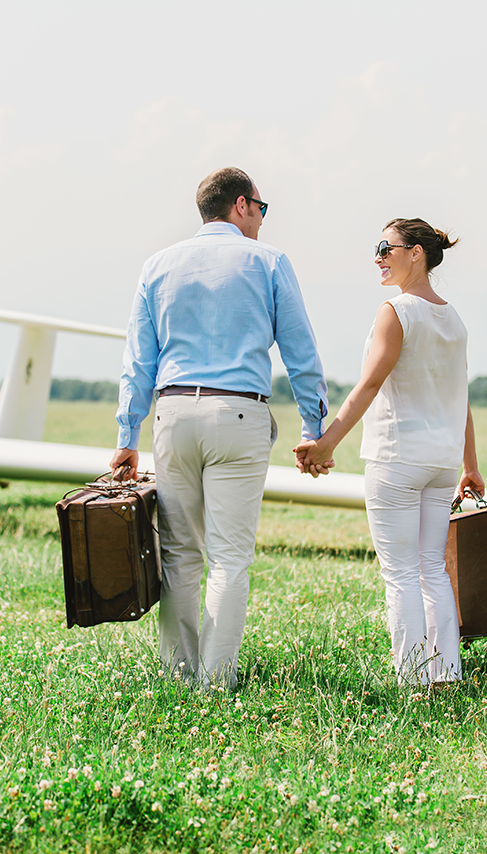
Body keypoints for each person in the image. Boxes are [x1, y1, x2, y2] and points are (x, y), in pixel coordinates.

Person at [110, 167, 328, 691]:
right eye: (261, 208)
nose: (262, 219)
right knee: (230, 556)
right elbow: (301, 352)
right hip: (238, 414)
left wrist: (126, 438)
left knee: (179, 555)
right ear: (240, 205)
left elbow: (137, 362)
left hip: (173, 414)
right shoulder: (269, 261)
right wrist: (312, 426)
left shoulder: (157, 265)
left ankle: (180, 677)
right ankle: (216, 680)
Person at [295, 218, 484, 686]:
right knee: (432, 570)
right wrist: (471, 468)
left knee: (400, 573)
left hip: (398, 456)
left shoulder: (395, 310)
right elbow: (461, 399)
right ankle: (444, 677)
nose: (378, 256)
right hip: (441, 464)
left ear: (415, 253)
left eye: (386, 247)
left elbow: (370, 383)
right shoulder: (453, 318)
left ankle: (413, 681)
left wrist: (325, 444)